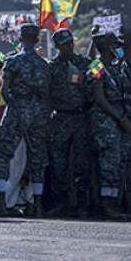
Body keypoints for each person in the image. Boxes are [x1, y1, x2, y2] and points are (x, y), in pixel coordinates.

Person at [0, 23, 49, 216]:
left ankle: (0, 201)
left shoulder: (13, 61)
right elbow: (46, 93)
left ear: (20, 38)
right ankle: (37, 204)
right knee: (37, 157)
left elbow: (4, 90)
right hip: (38, 112)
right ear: (37, 39)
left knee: (3, 154)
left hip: (16, 109)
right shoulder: (43, 65)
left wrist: (15, 107)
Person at [46, 28, 92, 218]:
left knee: (82, 162)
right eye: (63, 45)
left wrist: (83, 84)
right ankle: (61, 203)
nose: (68, 47)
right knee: (59, 163)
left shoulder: (86, 63)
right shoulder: (51, 67)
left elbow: (99, 86)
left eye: (70, 43)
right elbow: (47, 94)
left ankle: (82, 204)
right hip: (61, 118)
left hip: (81, 117)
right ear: (57, 47)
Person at [88, 31, 127, 219]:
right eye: (115, 45)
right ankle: (107, 205)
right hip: (105, 120)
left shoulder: (116, 66)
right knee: (109, 162)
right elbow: (99, 96)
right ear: (107, 47)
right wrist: (119, 118)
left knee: (118, 161)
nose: (118, 49)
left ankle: (116, 202)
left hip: (117, 118)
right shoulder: (97, 66)